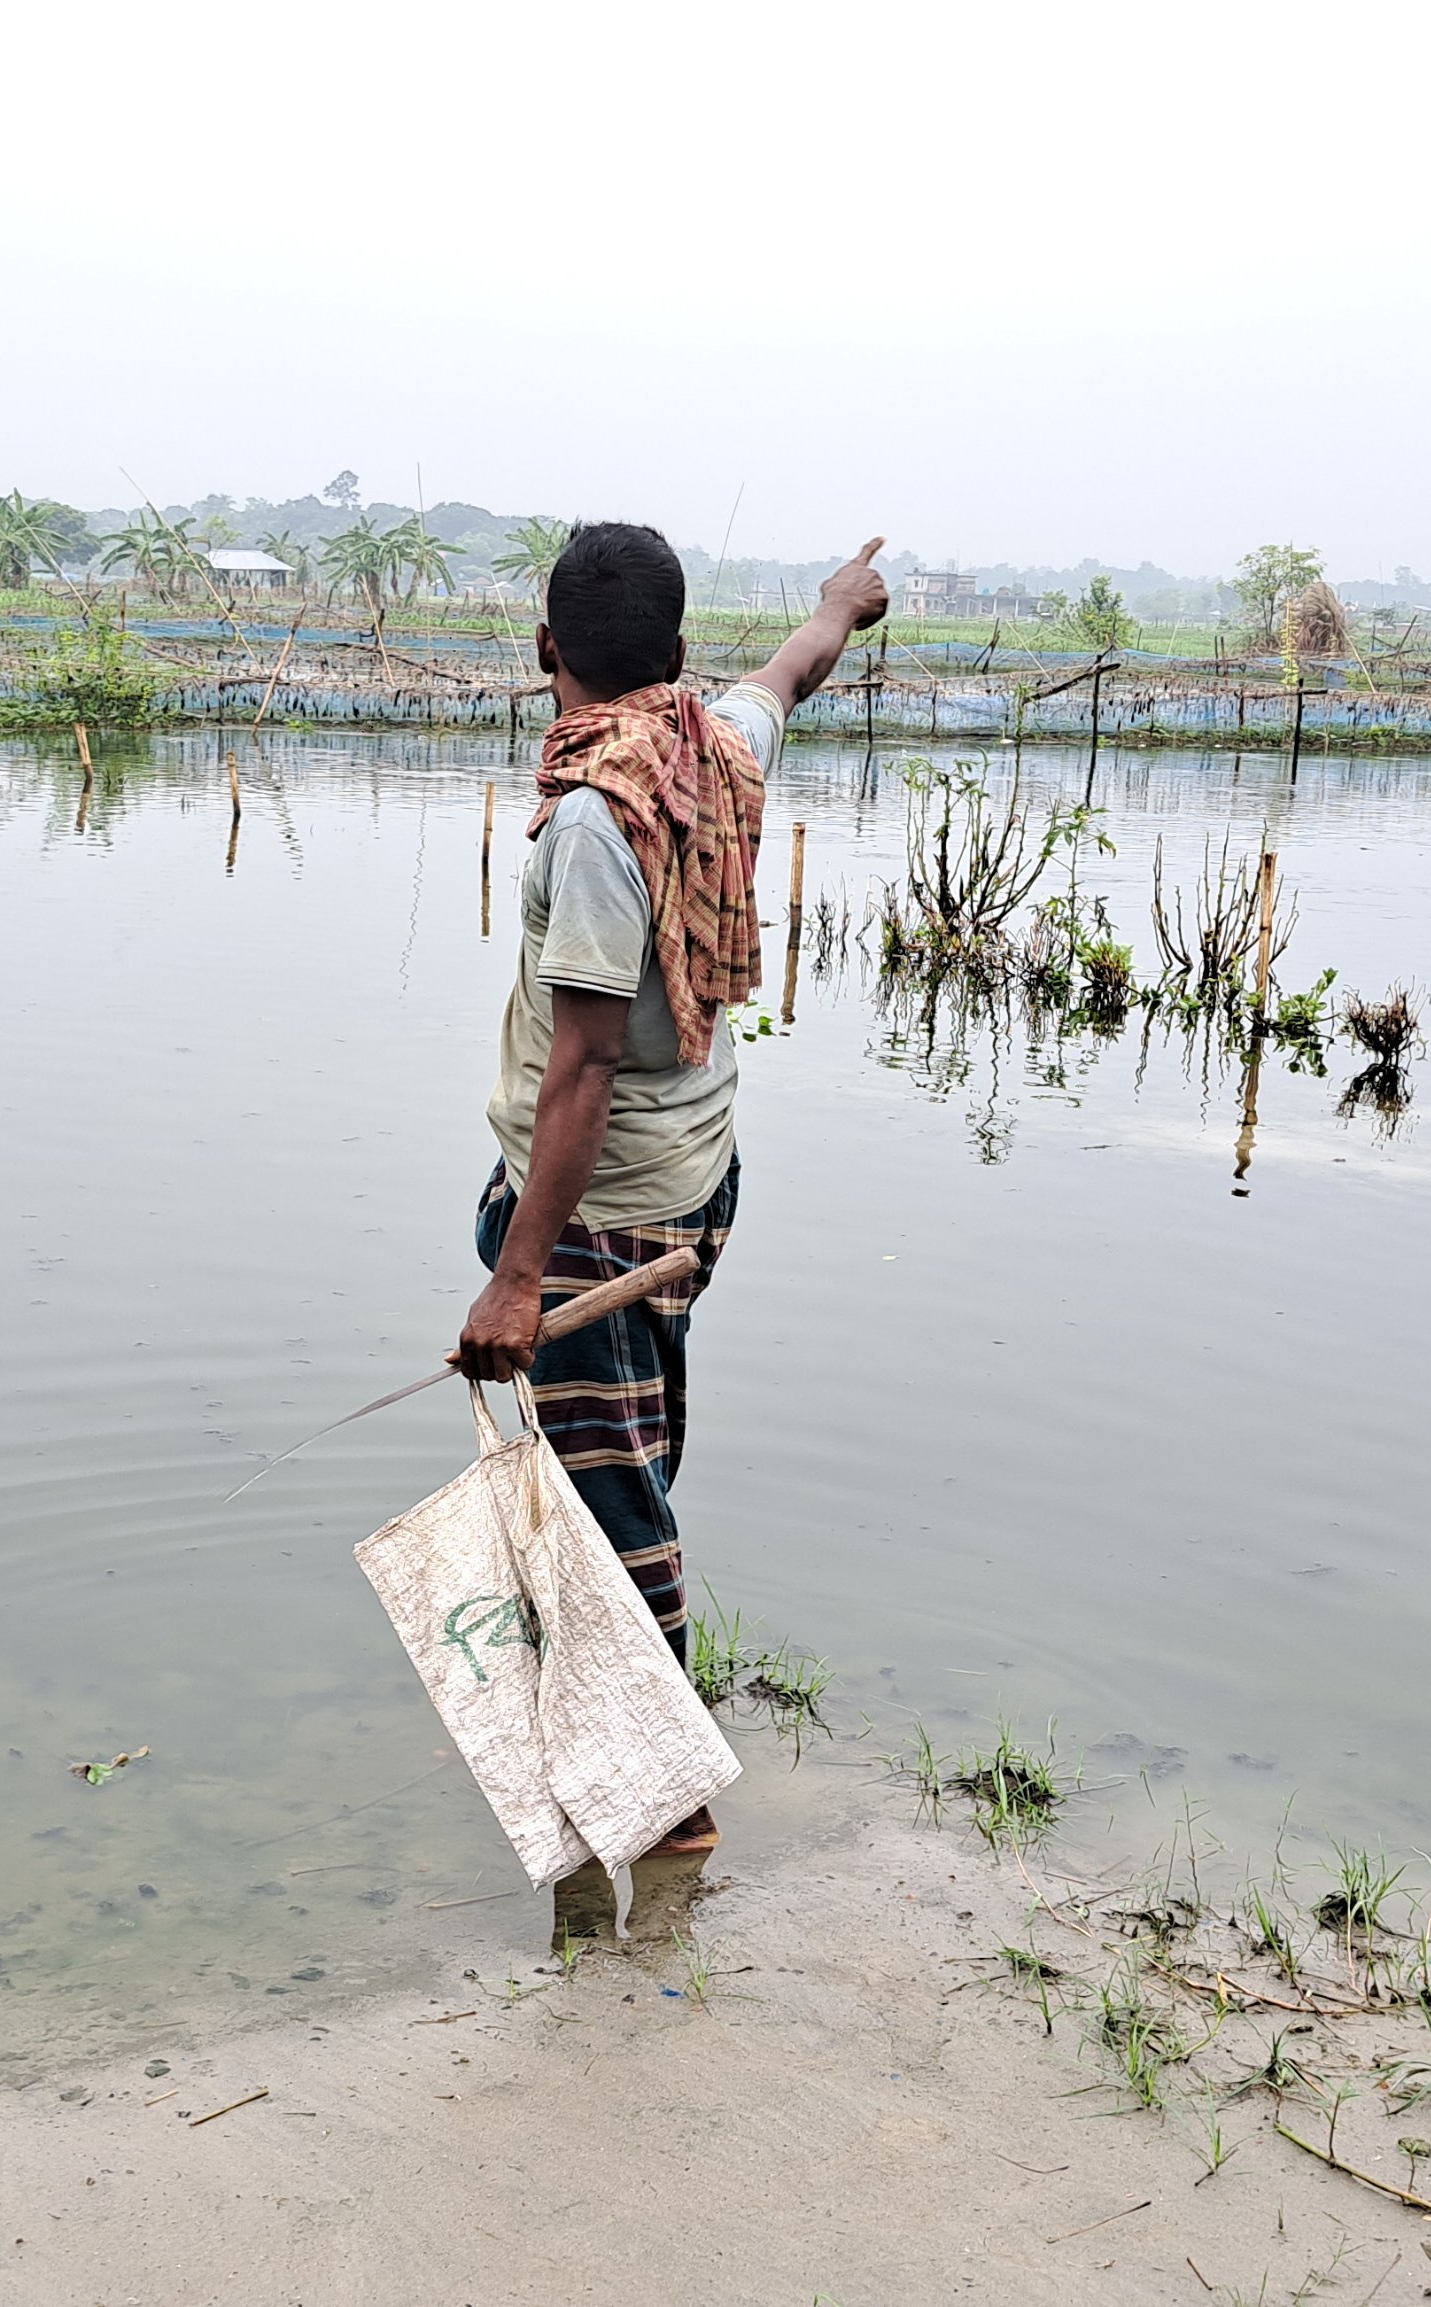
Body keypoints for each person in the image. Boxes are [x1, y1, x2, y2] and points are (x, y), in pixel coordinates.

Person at [451, 520, 888, 1858]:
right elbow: (798, 671)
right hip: (694, 1186)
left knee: (608, 1502)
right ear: (678, 658)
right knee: (623, 1459)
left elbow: (582, 1063)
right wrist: (836, 605)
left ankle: (669, 1804)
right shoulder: (714, 745)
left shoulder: (595, 817)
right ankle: (623, 1752)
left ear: (546, 654)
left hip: (598, 1214)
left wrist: (519, 1273)